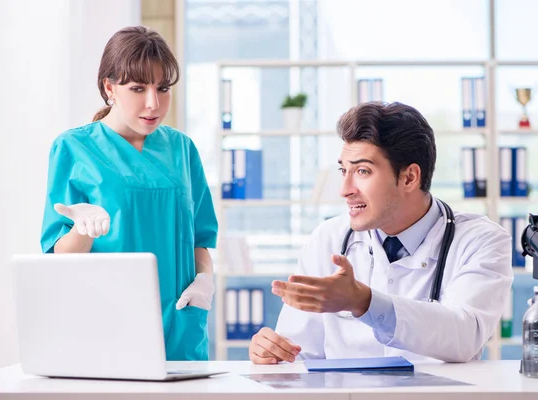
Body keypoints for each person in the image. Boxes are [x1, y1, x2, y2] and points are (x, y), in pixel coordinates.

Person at [249, 102, 513, 364]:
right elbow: (299, 352)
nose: (345, 189)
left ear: (409, 178)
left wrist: (363, 301)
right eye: (344, 170)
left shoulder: (481, 240)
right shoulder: (327, 238)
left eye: (362, 171)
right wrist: (272, 352)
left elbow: (464, 337)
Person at [40, 26, 217, 361]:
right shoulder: (73, 148)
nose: (153, 103)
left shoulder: (182, 149)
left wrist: (205, 280)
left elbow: (201, 238)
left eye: (162, 88)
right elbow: (58, 258)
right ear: (110, 87)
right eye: (138, 88)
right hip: (107, 326)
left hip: (181, 327)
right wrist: (81, 229)